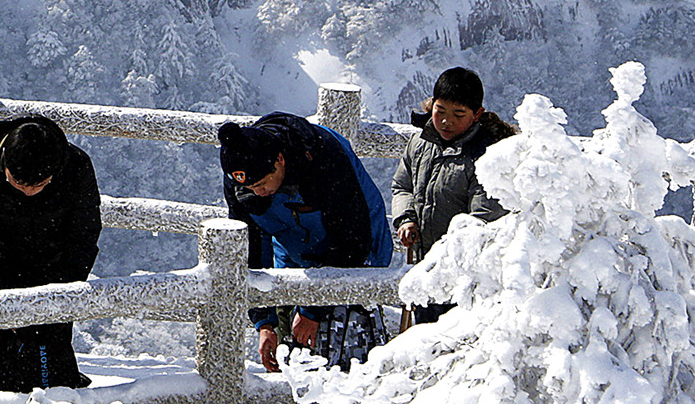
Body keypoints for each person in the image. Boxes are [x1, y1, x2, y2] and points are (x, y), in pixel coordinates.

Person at [218, 110, 394, 372]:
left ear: (280, 159)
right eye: (251, 188)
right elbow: (253, 249)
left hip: (357, 253)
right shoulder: (240, 174)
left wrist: (314, 308)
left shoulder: (323, 155)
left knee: (344, 355)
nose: (259, 191)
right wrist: (264, 323)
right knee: (296, 348)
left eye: (264, 183)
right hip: (295, 250)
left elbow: (352, 239)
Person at [0, 115, 101, 397]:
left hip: (54, 282)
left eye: (39, 184)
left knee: (54, 379)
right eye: (19, 183)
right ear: (5, 164)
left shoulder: (76, 168)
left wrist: (59, 289)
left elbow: (84, 236)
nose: (29, 192)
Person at [386, 66, 516, 326]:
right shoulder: (421, 143)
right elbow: (403, 186)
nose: (447, 121)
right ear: (432, 105)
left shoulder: (486, 157)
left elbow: (482, 220)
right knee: (424, 336)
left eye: (459, 114)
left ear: (477, 114)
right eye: (440, 111)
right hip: (426, 265)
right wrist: (406, 218)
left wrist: (447, 258)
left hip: (467, 276)